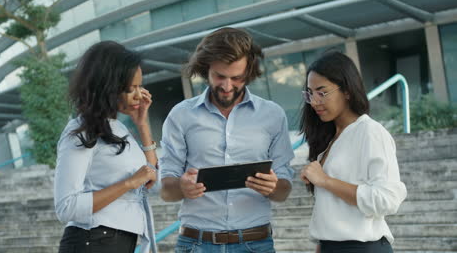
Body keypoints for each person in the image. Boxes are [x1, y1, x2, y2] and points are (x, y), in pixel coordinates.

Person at [159, 27, 295, 253]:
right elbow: (165, 190)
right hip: (196, 245)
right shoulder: (181, 115)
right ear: (206, 69)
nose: (227, 86)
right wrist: (182, 187)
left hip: (256, 244)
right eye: (219, 76)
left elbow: (284, 191)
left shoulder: (273, 115)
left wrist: (273, 187)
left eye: (237, 78)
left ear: (249, 72)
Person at [54, 41, 158, 253]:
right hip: (92, 241)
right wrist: (128, 183)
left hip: (117, 242)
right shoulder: (82, 132)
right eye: (131, 89)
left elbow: (149, 176)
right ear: (108, 88)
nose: (139, 95)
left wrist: (142, 124)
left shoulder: (117, 127)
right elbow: (66, 207)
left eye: (140, 86)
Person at [299, 51, 407, 253]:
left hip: (362, 248)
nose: (314, 102)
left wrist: (325, 181)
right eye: (310, 94)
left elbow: (388, 199)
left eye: (322, 93)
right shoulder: (330, 140)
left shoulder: (370, 132)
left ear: (347, 91)